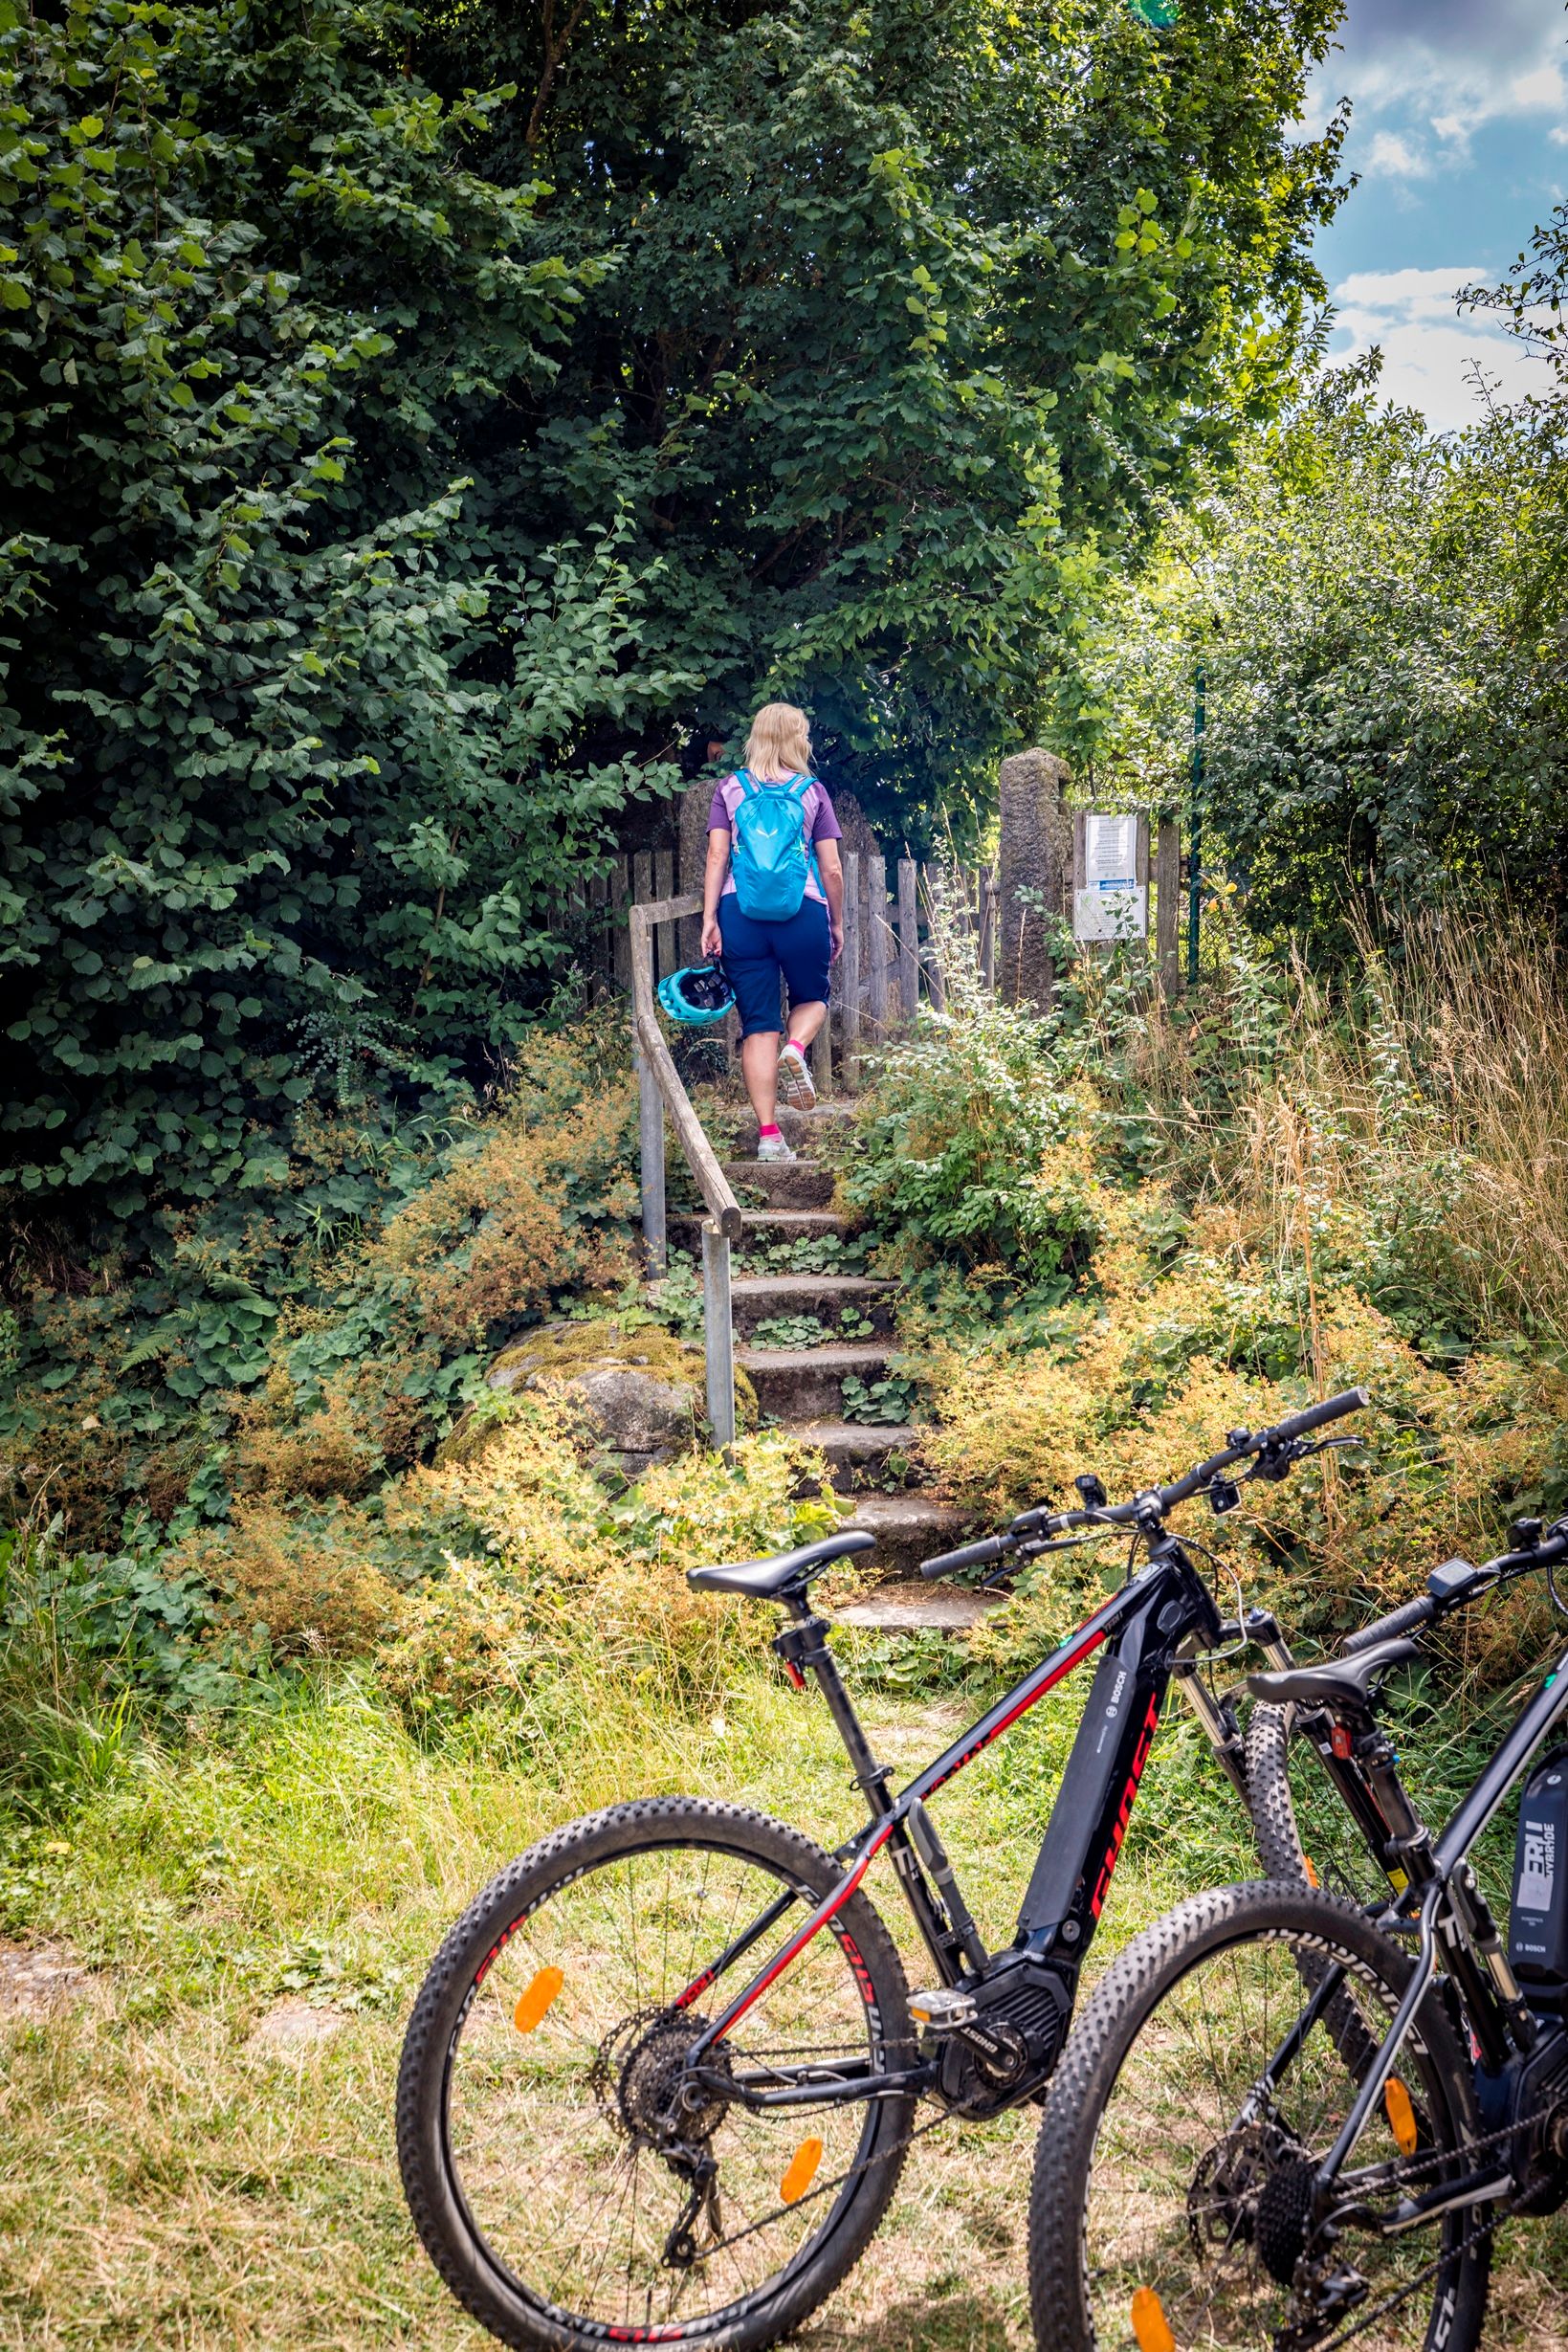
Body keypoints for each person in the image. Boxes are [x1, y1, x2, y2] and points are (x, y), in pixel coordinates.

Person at [700, 702, 844, 1163]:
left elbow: (717, 858)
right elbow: (832, 868)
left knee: (758, 1026)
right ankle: (798, 1048)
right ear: (795, 740)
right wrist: (836, 921)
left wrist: (709, 919)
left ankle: (768, 1137)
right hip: (802, 910)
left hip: (740, 915)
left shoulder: (730, 788)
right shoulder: (812, 791)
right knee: (813, 999)